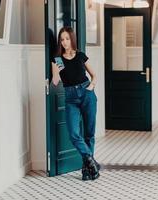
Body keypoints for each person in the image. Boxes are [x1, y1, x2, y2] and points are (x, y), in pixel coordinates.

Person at [51, 26, 100, 181]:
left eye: (67, 38)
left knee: (89, 133)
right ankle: (91, 160)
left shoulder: (80, 55)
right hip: (71, 97)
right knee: (73, 133)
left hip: (87, 93)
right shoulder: (58, 59)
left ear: (71, 39)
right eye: (62, 39)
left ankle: (87, 170)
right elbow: (56, 80)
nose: (64, 42)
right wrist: (54, 72)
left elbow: (94, 75)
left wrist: (91, 88)